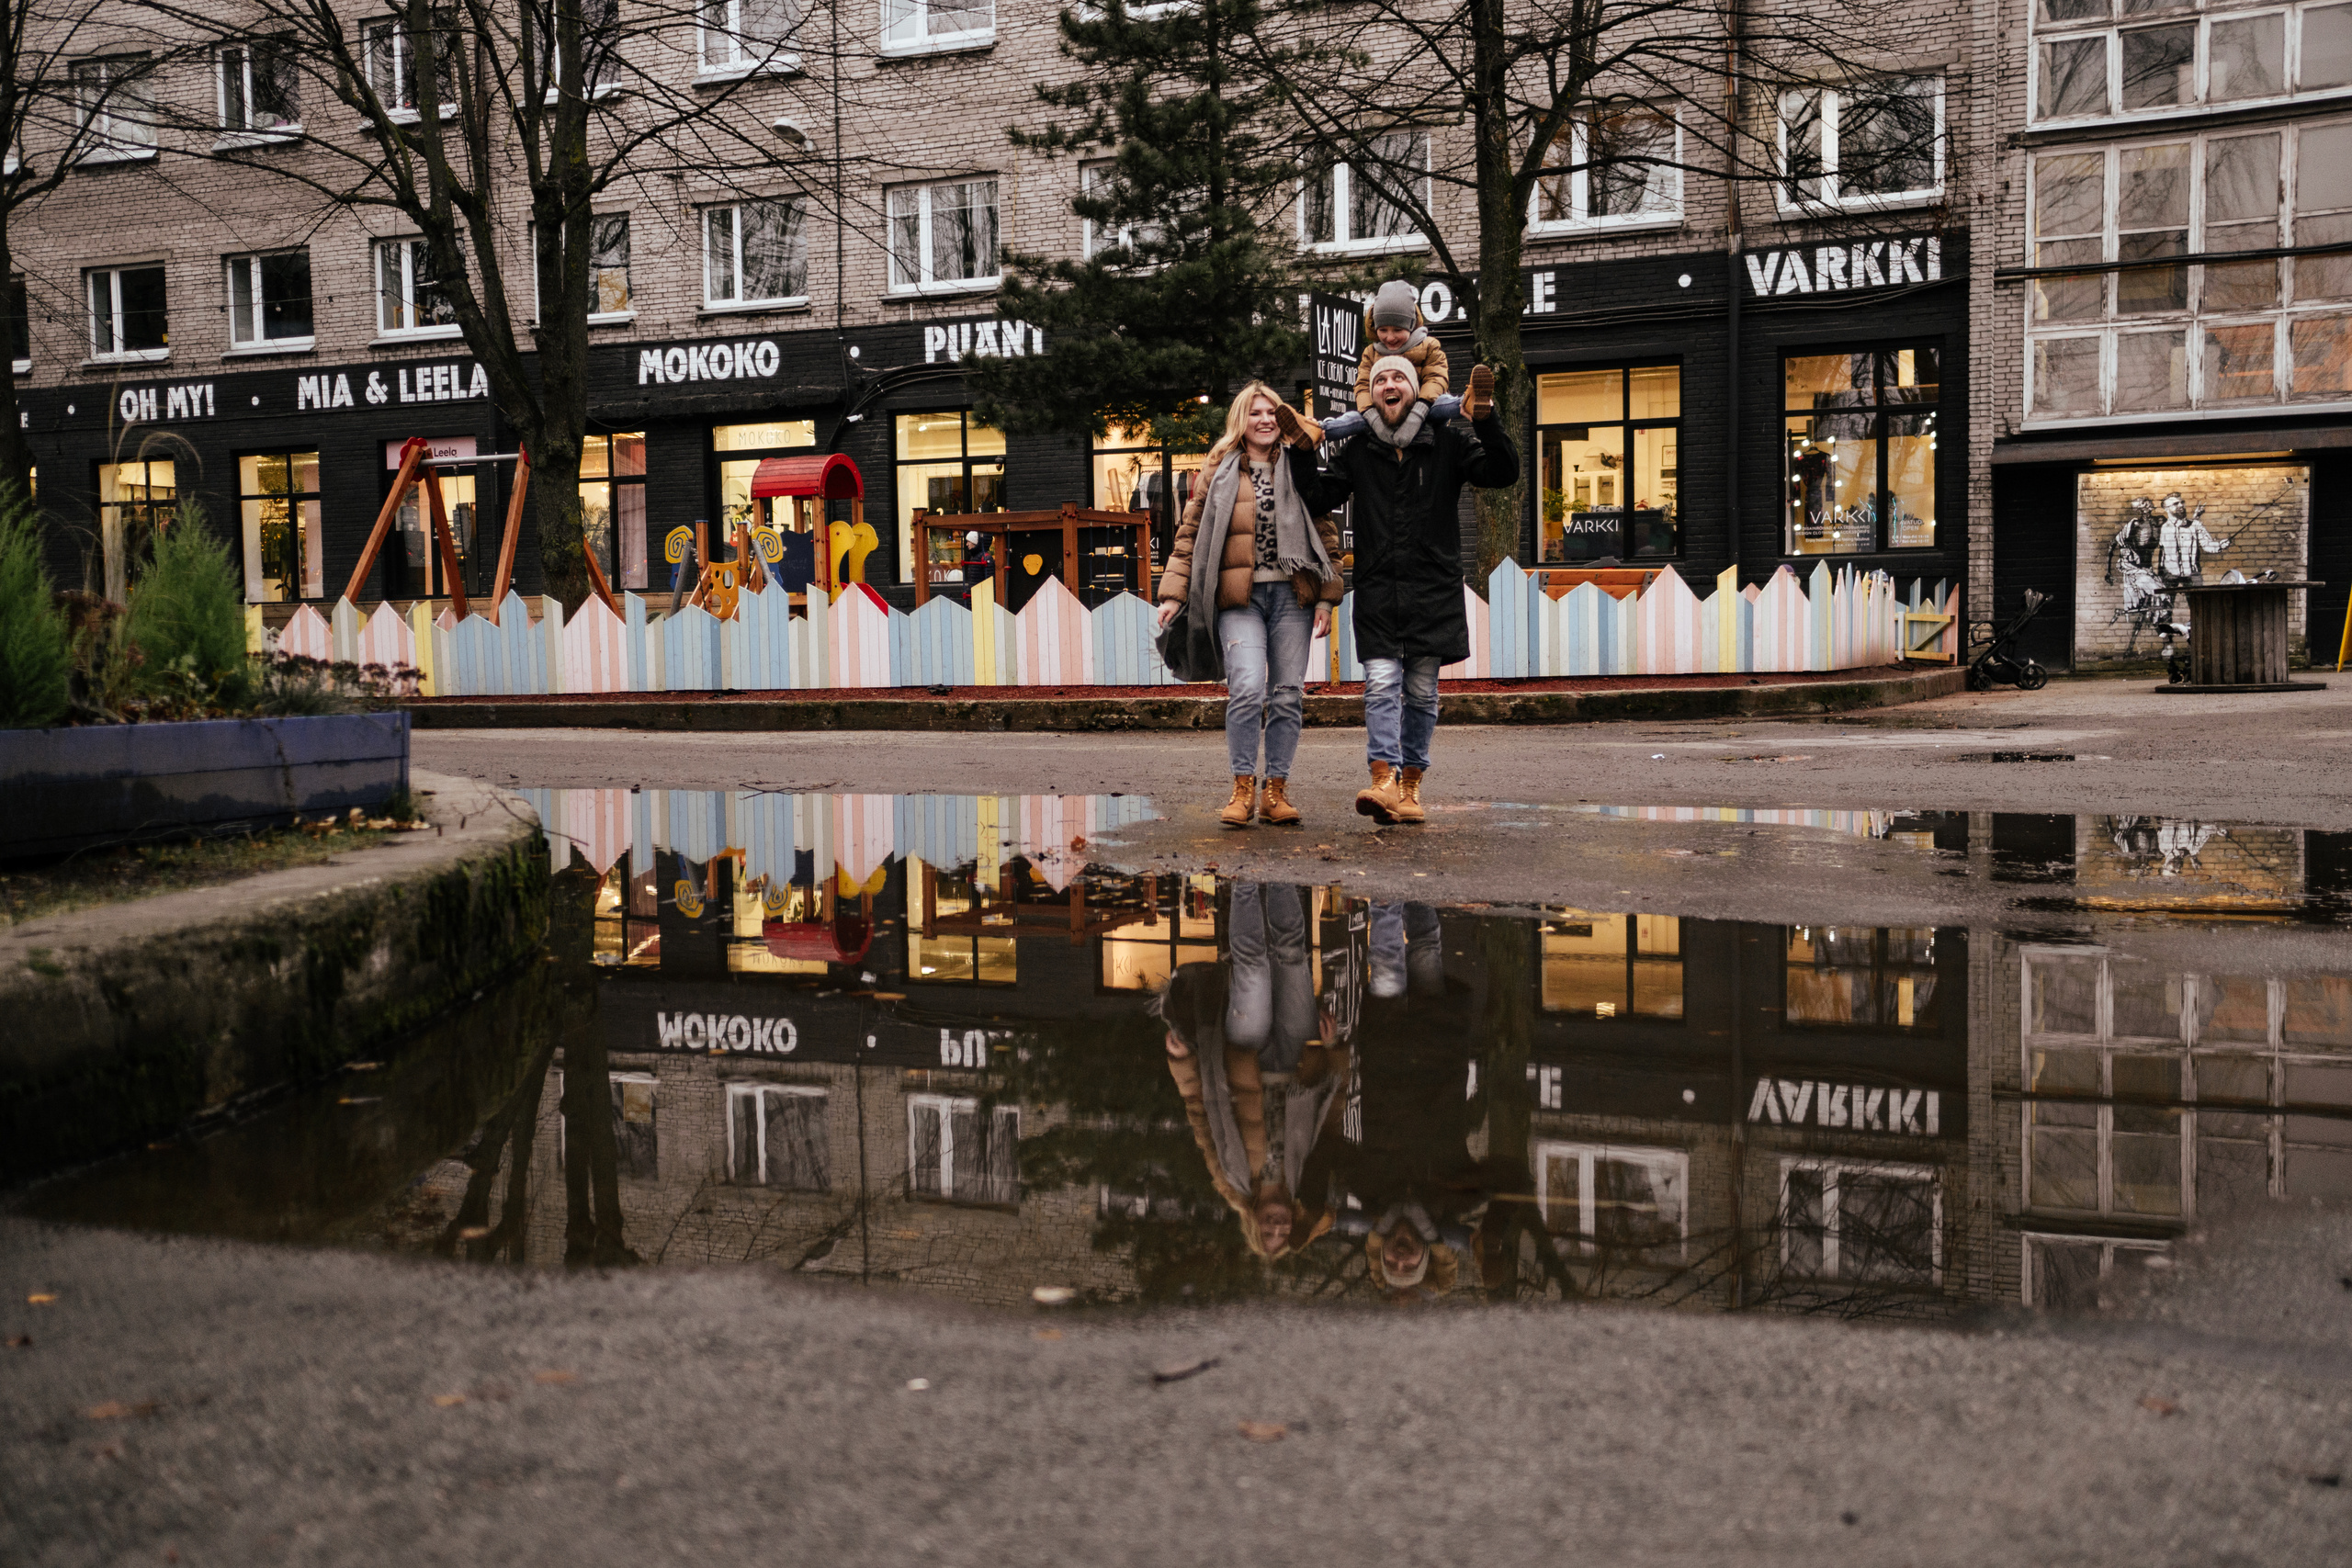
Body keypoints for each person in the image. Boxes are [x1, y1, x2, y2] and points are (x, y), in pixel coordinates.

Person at [1283, 353, 1516, 825]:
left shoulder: (1446, 442)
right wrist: (1302, 451)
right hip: (1378, 592)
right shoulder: (1360, 450)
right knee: (1382, 686)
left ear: (1415, 390)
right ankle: (1382, 779)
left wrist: (1486, 424)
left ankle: (1410, 789)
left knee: (1423, 692)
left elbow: (1502, 473)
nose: (1390, 384)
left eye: (1400, 378)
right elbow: (1316, 497)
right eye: (1381, 378)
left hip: (1434, 591)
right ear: (1372, 394)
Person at [1154, 383, 1343, 827]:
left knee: (1288, 694)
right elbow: (1189, 535)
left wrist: (1327, 600)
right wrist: (1171, 593)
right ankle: (1242, 788)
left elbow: (1325, 534)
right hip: (1238, 598)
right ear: (1242, 418)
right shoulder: (1219, 469)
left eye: (1271, 413)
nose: (1264, 420)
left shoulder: (1298, 462)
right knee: (1245, 688)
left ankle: (1275, 792)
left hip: (1294, 596)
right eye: (1255, 412)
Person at [1286, 280, 1488, 446]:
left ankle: (1469, 402)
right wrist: (1372, 416)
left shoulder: (1429, 346)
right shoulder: (1371, 353)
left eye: (1397, 330)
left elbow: (1436, 379)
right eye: (1383, 330)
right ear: (1375, 327)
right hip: (1382, 412)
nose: (1390, 338)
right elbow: (1362, 387)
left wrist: (1419, 410)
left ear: (1411, 324)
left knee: (1444, 403)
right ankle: (1315, 431)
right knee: (1352, 420)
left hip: (1424, 407)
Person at [2154, 491, 2231, 588]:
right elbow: (2161, 553)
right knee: (2167, 602)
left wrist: (2220, 545)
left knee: (2197, 602)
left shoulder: (2195, 525)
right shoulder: (2163, 528)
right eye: (2175, 504)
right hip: (2169, 575)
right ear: (2166, 508)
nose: (2181, 505)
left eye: (2182, 502)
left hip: (2192, 575)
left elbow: (2207, 544)